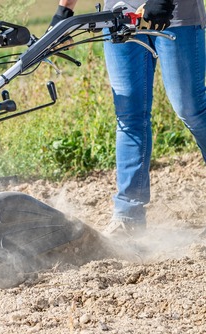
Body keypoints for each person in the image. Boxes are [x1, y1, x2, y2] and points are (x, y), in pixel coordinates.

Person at [49, 0, 206, 236]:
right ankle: (128, 215)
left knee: (191, 109)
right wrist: (64, 10)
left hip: (175, 14)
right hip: (120, 16)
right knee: (129, 115)